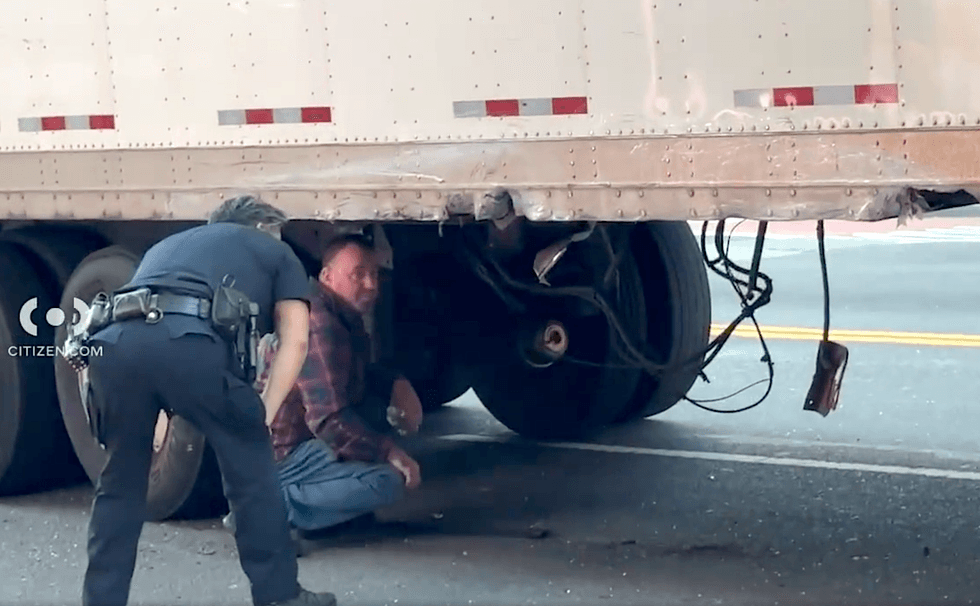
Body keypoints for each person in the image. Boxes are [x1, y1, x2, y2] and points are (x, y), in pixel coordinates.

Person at [80, 195, 338, 606]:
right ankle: (280, 595)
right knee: (252, 477)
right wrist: (263, 415)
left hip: (112, 347)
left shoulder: (168, 247)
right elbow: (297, 340)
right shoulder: (275, 250)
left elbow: (149, 336)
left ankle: (101, 600)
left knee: (120, 486)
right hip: (190, 344)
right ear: (262, 229)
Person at [225, 234, 424, 539]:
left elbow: (357, 376)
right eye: (358, 274)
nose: (371, 285)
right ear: (327, 276)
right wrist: (389, 452)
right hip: (279, 456)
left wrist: (396, 383)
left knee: (371, 417)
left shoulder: (342, 316)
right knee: (387, 480)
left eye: (374, 275)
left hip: (287, 448)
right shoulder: (319, 324)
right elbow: (329, 421)